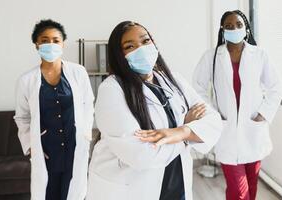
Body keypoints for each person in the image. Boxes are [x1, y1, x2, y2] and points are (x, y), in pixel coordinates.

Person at [87, 21, 222, 200]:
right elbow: (141, 155)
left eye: (145, 41)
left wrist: (182, 131)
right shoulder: (111, 89)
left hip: (176, 184)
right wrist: (186, 136)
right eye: (130, 46)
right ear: (119, 55)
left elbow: (212, 120)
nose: (141, 49)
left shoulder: (173, 80)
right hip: (131, 189)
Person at [193, 10, 282, 200]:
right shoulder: (212, 57)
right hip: (227, 132)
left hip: (253, 129)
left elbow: (275, 87)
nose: (234, 29)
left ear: (246, 29)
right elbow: (198, 88)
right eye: (229, 26)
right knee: (239, 192)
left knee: (251, 184)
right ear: (223, 30)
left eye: (239, 25)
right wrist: (213, 114)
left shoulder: (259, 55)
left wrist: (263, 115)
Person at [14, 19, 94, 200]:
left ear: (62, 43)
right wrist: (30, 147)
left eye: (55, 40)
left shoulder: (78, 72)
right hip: (47, 149)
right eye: (44, 40)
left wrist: (86, 133)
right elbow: (22, 117)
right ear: (36, 44)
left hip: (74, 144)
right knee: (49, 193)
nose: (50, 44)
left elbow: (88, 103)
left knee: (74, 191)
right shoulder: (26, 80)